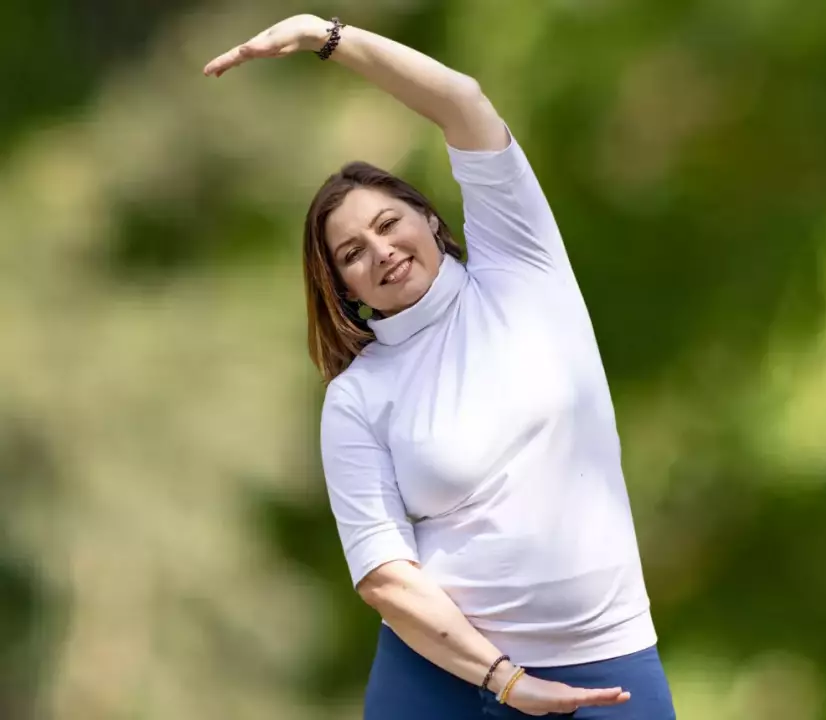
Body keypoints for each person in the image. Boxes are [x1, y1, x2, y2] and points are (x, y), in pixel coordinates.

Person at [203, 15, 677, 719]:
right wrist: (506, 680)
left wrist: (324, 36)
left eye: (388, 223)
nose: (380, 250)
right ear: (344, 291)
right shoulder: (358, 398)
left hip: (607, 663)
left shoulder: (523, 268)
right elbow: (384, 576)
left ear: (429, 218)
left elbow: (462, 102)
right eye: (352, 254)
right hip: (445, 685)